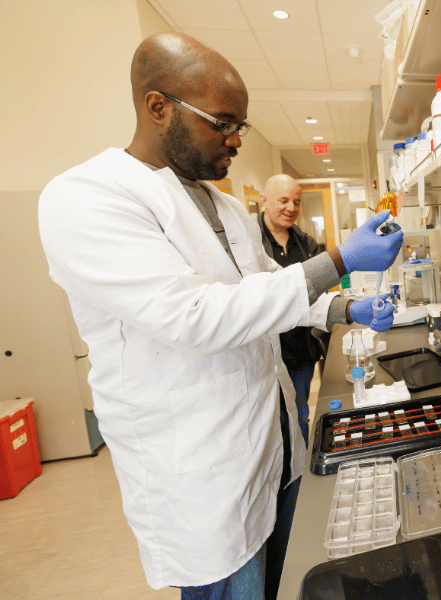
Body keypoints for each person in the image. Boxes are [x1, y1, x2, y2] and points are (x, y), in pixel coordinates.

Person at [37, 32, 402, 600]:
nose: (235, 140)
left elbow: (264, 294)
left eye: (242, 127)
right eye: (223, 122)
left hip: (271, 438)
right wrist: (339, 260)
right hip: (199, 466)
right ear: (158, 107)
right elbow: (195, 317)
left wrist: (346, 306)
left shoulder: (225, 205)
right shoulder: (87, 197)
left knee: (285, 582)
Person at [257, 174, 326, 447]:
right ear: (264, 201)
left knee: (299, 419)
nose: (291, 208)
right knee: (270, 429)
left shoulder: (307, 244)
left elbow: (318, 294)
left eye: (296, 202)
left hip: (300, 354)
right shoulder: (248, 243)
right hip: (264, 357)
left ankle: (300, 486)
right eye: (283, 200)